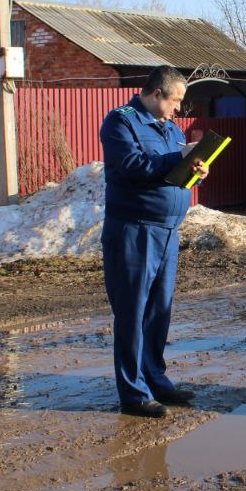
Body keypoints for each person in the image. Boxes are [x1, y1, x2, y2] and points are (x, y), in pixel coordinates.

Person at [100, 66, 208, 417]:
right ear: (157, 94)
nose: (179, 108)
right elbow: (132, 166)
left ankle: (155, 378)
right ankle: (133, 393)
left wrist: (194, 168)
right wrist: (178, 157)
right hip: (133, 230)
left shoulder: (171, 130)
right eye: (176, 100)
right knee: (132, 311)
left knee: (159, 311)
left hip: (166, 232)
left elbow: (173, 175)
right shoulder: (122, 122)